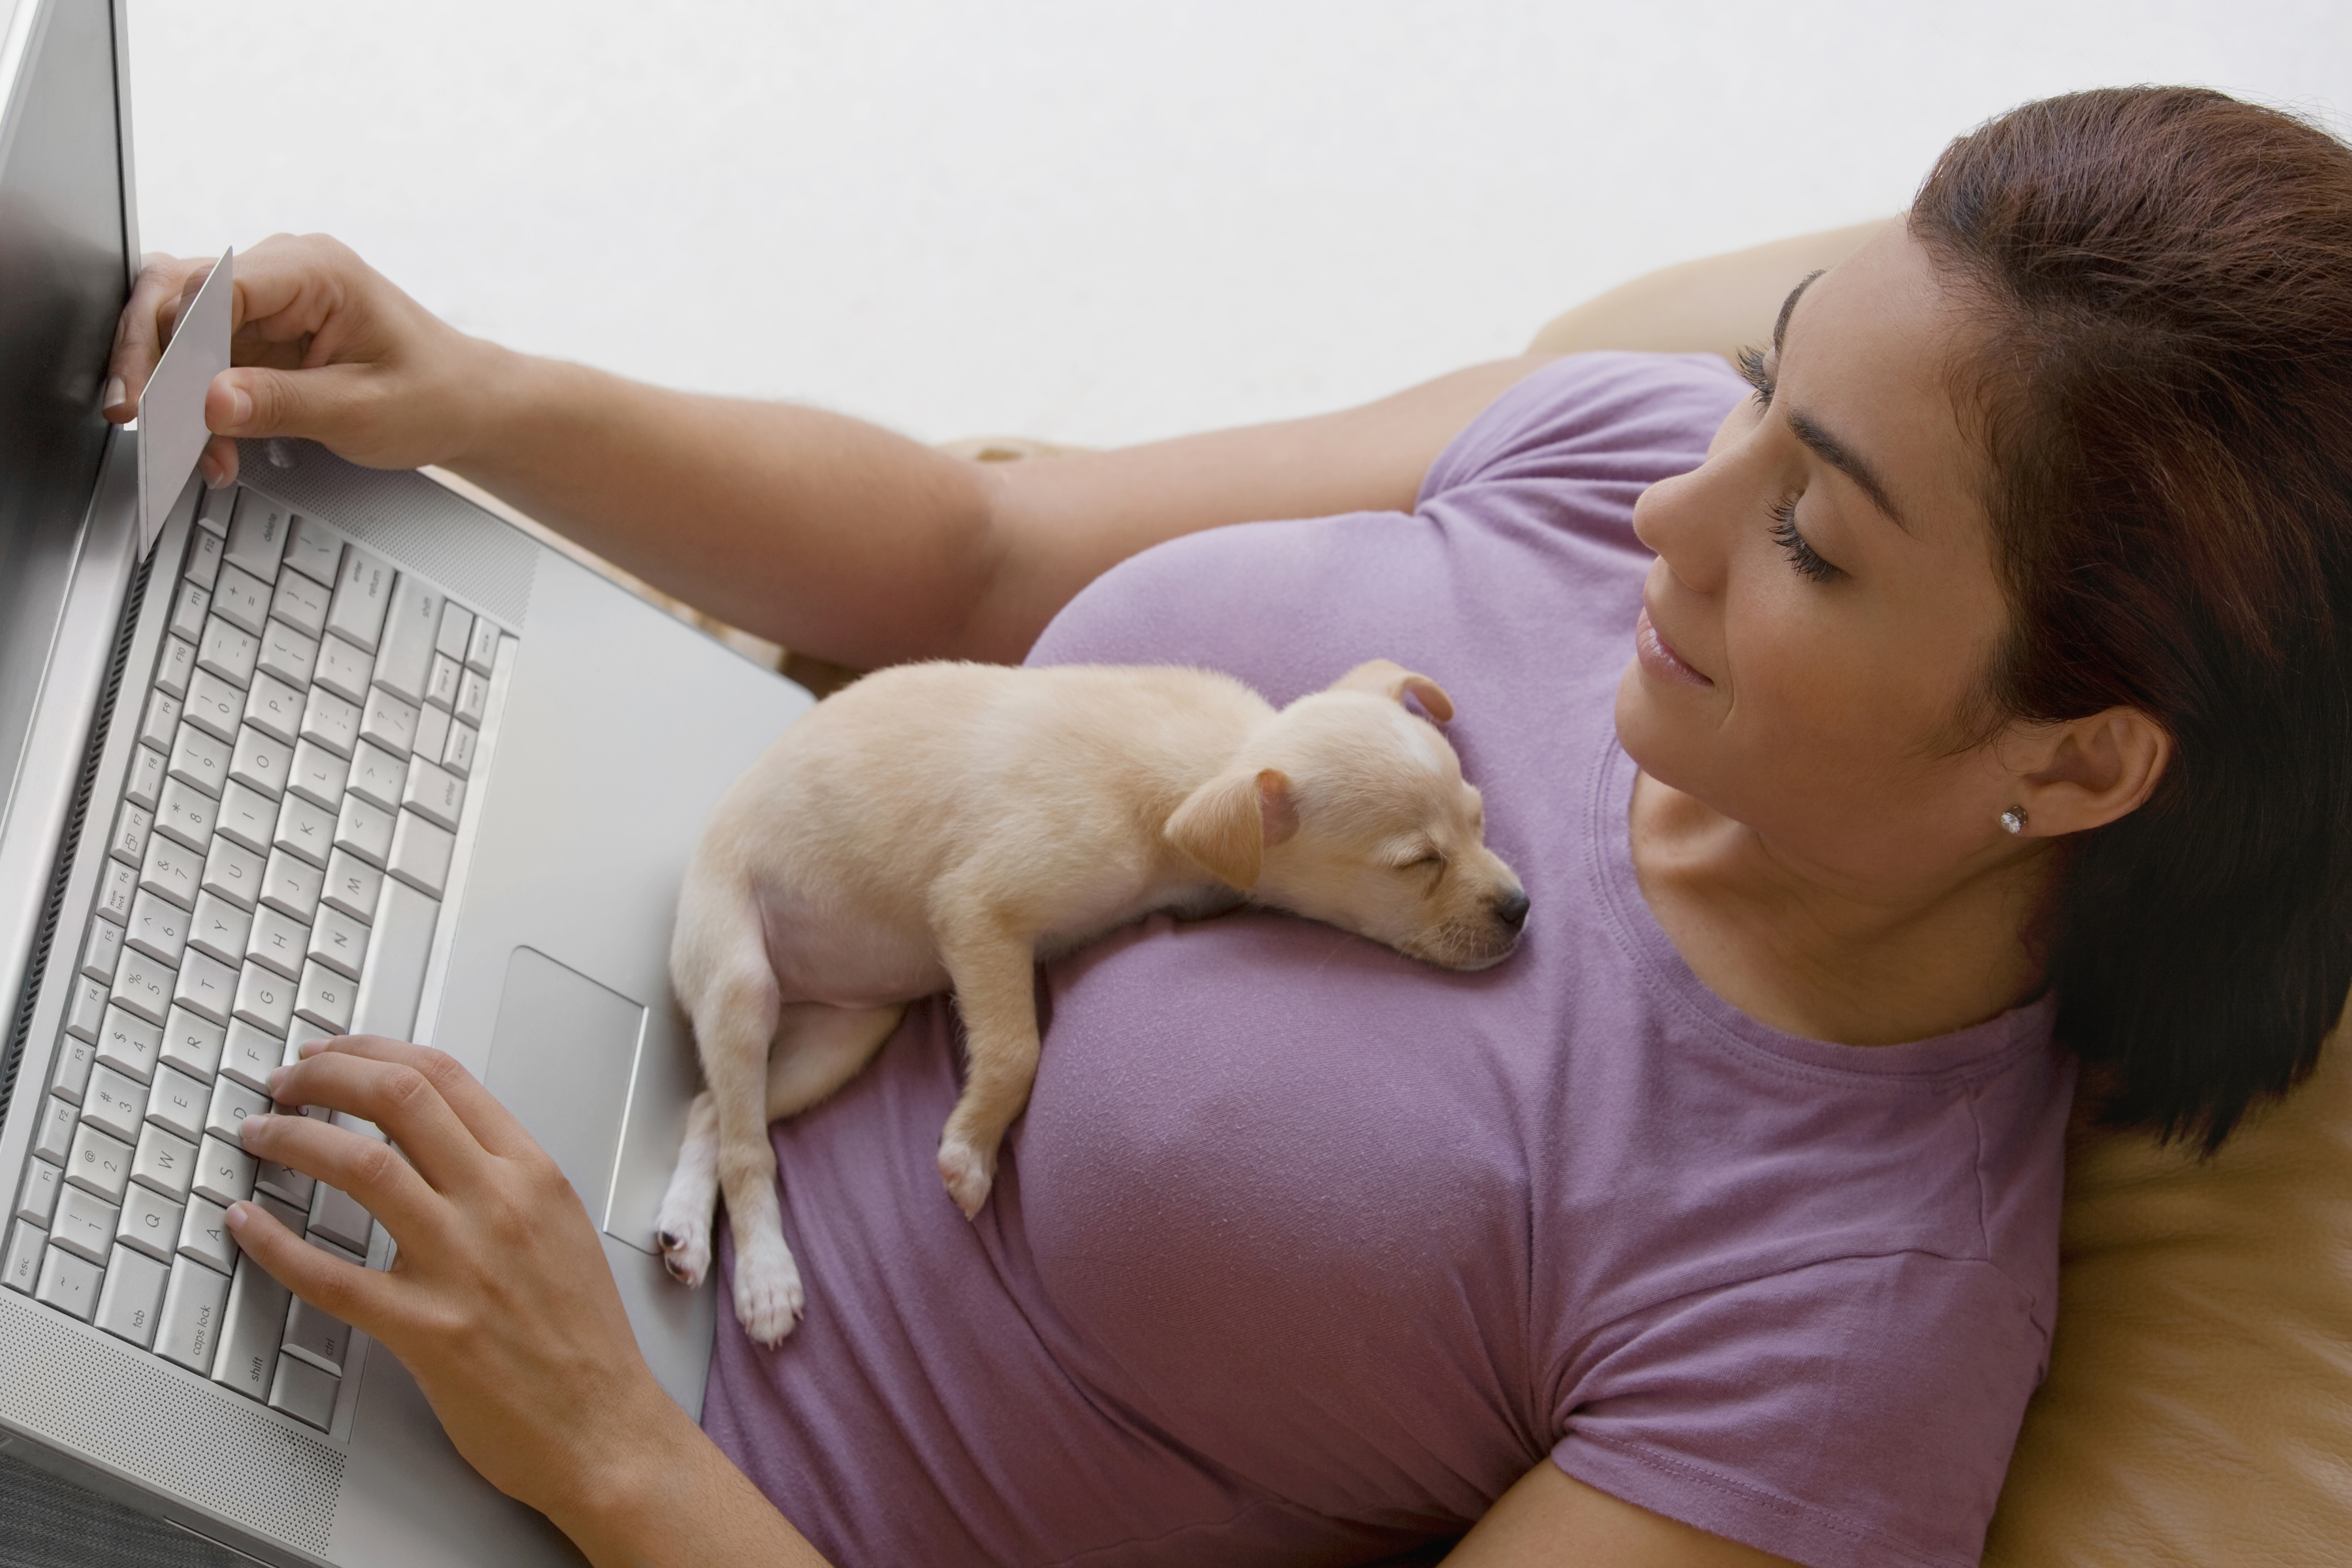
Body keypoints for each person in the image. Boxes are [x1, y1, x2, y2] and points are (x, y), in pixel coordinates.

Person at [101, 86, 2352, 1568]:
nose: (1675, 496)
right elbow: (984, 559)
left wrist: (600, 1447)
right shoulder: (1616, 466)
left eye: (1816, 543)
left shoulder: (1835, 1328)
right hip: (603, 905)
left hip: (538, 1487)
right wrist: (468, 390)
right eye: (1767, 388)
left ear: (2073, 759)